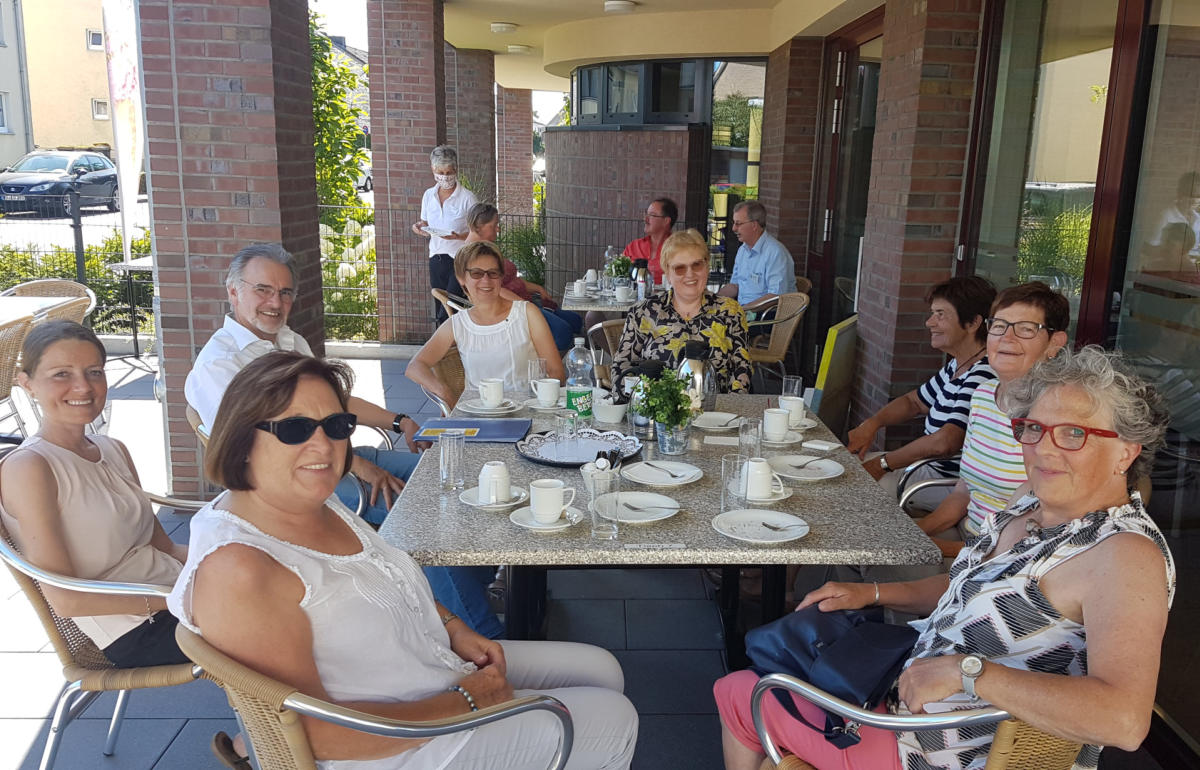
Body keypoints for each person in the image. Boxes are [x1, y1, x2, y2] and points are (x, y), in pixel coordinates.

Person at [168, 351, 638, 770]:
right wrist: (467, 701)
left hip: (430, 670)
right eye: (294, 429)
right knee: (615, 720)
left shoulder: (311, 502)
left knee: (601, 669)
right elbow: (315, 735)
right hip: (400, 747)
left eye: (336, 426)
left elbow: (382, 575)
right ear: (241, 441)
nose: (324, 446)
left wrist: (455, 627)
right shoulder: (240, 569)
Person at [716, 345, 1175, 770]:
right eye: (1034, 428)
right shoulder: (1029, 499)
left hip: (936, 750)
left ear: (1126, 452)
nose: (1044, 448)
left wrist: (968, 672)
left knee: (739, 693)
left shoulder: (1122, 555)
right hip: (893, 692)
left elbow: (1124, 721)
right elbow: (965, 584)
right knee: (784, 657)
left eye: (1074, 433)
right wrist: (871, 593)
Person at [184, 243, 423, 529]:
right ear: (233, 292)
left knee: (440, 475)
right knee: (424, 515)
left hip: (339, 460)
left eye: (285, 293)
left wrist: (400, 422)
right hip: (291, 483)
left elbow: (335, 401)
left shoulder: (291, 340)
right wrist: (358, 467)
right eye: (263, 290)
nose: (276, 303)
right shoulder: (219, 365)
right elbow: (257, 447)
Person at [0, 321, 189, 668]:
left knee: (286, 587)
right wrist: (182, 598)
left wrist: (240, 558)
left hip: (178, 595)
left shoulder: (113, 448)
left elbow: (166, 548)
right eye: (61, 374)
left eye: (94, 372)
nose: (83, 386)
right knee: (276, 624)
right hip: (138, 627)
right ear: (27, 384)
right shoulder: (30, 468)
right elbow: (67, 600)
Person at [846, 276, 997, 510]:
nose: (929, 322)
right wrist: (872, 424)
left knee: (846, 483)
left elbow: (945, 442)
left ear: (973, 323)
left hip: (945, 485)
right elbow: (914, 402)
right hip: (925, 471)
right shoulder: (958, 365)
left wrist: (882, 464)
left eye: (940, 315)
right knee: (844, 468)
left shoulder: (982, 374)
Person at [407, 241, 565, 406]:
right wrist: (445, 392)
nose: (486, 280)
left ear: (501, 277)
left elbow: (556, 372)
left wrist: (540, 403)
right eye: (476, 273)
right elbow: (415, 366)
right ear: (461, 278)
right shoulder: (458, 324)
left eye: (493, 273)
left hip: (525, 410)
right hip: (479, 414)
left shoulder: (527, 313)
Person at [610, 229, 753, 393]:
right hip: (655, 407)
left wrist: (728, 406)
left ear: (707, 266)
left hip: (715, 406)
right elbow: (622, 366)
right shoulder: (643, 311)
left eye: (697, 265)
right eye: (680, 268)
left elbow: (742, 368)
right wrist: (638, 402)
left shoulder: (730, 312)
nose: (690, 274)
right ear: (668, 273)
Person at [465, 203, 583, 351]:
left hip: (527, 301)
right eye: (494, 225)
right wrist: (525, 306)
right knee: (562, 332)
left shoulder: (486, 248)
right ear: (479, 226)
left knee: (576, 321)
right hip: (512, 309)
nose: (498, 229)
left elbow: (511, 279)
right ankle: (544, 360)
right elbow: (495, 289)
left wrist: (538, 288)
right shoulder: (473, 254)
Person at [412, 145, 478, 325]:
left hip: (460, 260)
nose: (445, 177)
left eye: (449, 172)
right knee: (439, 303)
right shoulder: (428, 195)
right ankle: (445, 339)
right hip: (436, 257)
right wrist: (419, 227)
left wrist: (458, 236)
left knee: (451, 306)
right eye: (440, 172)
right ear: (433, 170)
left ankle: (449, 337)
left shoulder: (467, 198)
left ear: (456, 170)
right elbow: (425, 222)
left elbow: (478, 231)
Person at [717, 200, 796, 306]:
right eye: (734, 223)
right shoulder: (743, 250)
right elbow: (735, 286)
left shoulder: (775, 253)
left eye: (738, 223)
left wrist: (745, 310)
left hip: (767, 313)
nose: (734, 228)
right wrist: (714, 298)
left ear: (754, 225)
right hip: (745, 310)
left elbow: (775, 296)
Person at [623, 197, 678, 286]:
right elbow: (619, 276)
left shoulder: (678, 249)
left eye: (652, 215)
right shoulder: (634, 246)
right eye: (646, 214)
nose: (645, 219)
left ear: (666, 221)